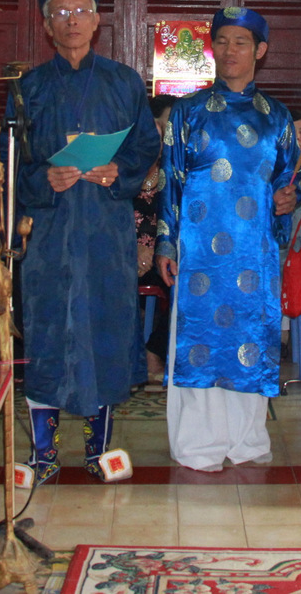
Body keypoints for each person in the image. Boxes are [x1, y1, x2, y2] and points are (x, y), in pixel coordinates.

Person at [10, 0, 162, 483]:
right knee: (47, 330)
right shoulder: (28, 88)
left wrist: (120, 171)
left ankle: (98, 450)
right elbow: (12, 165)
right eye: (60, 13)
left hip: (104, 228)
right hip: (51, 233)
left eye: (80, 12)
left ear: (97, 20)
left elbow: (145, 146)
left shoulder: (122, 82)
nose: (71, 21)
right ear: (46, 25)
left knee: (104, 328)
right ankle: (43, 454)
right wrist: (41, 177)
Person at [155, 6, 299, 471]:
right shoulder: (187, 112)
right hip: (198, 252)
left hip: (253, 254)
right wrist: (165, 242)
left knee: (249, 343)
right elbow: (170, 182)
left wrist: (286, 202)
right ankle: (198, 444)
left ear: (260, 50)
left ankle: (246, 441)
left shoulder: (277, 118)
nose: (229, 50)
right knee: (198, 344)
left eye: (240, 42)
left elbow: (285, 186)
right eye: (221, 41)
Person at [134, 93, 178, 387]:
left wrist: (158, 246)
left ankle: (154, 351)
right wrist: (134, 245)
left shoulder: (175, 167)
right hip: (121, 249)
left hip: (163, 252)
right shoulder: (125, 162)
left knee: (186, 284)